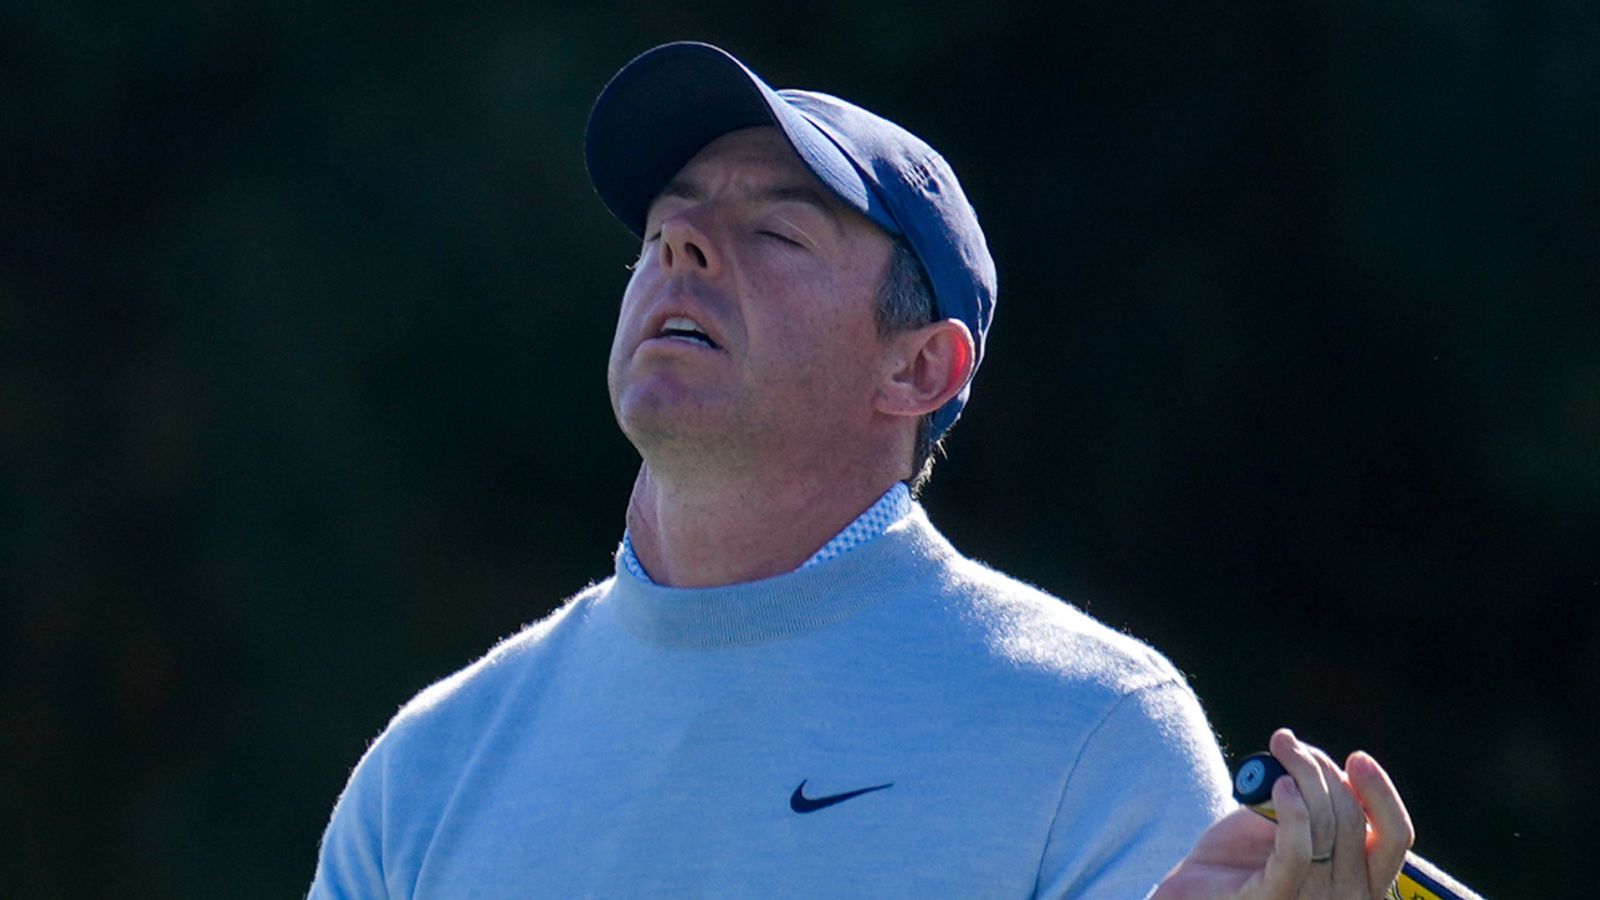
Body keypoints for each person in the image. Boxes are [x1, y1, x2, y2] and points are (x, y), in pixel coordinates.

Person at [309, 42, 1412, 898]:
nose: (683, 249)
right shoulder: (429, 765)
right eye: (663, 231)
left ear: (921, 367)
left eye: (775, 234)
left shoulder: (1090, 727)